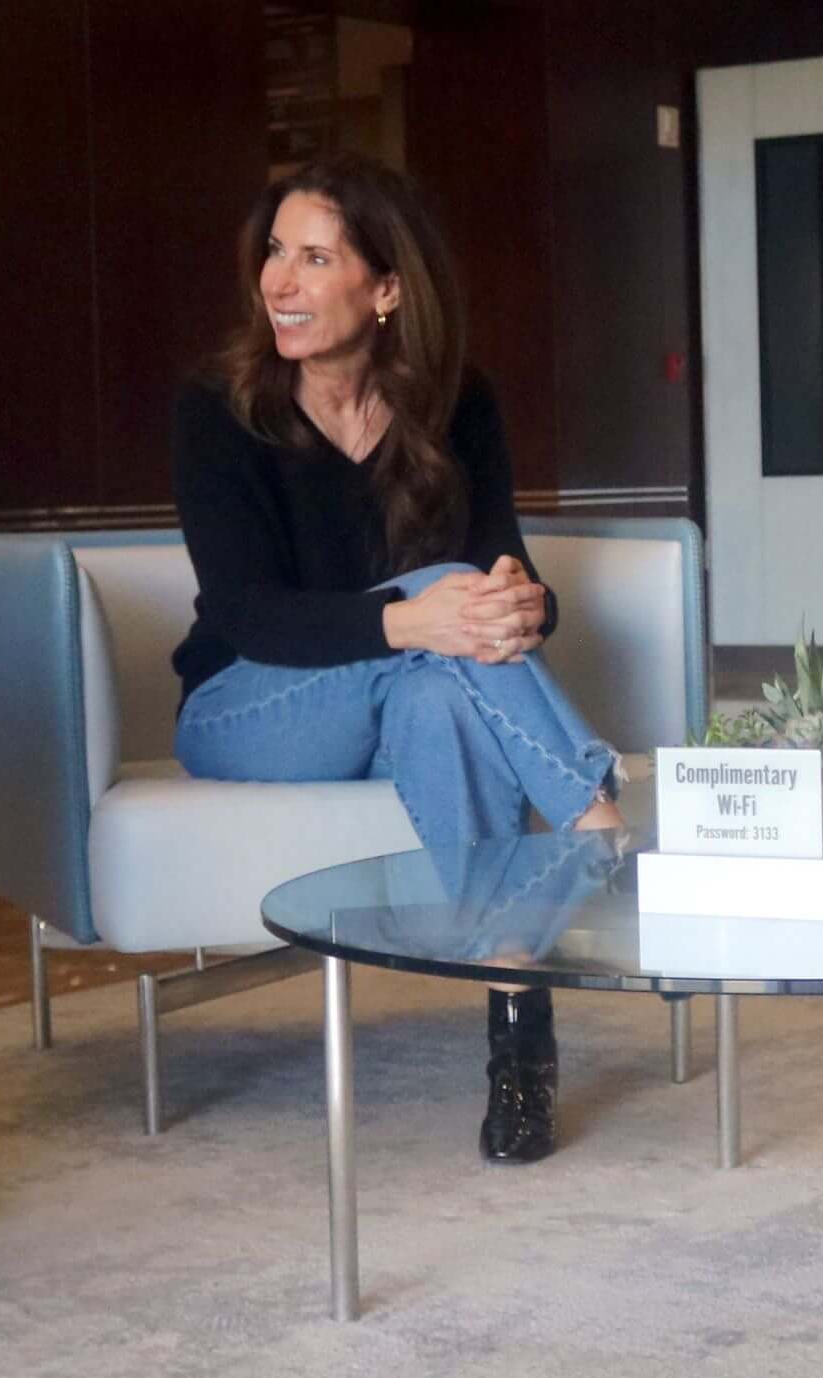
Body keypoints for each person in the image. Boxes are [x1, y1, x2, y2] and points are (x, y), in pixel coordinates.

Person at [169, 153, 625, 1166]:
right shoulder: (220, 408)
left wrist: (520, 602)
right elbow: (246, 615)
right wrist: (418, 616)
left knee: (439, 684)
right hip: (247, 708)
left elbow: (511, 579)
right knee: (431, 604)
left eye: (314, 257)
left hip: (408, 695)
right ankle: (599, 829)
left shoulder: (458, 402)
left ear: (385, 291)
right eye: (276, 253)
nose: (278, 281)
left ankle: (518, 1025)